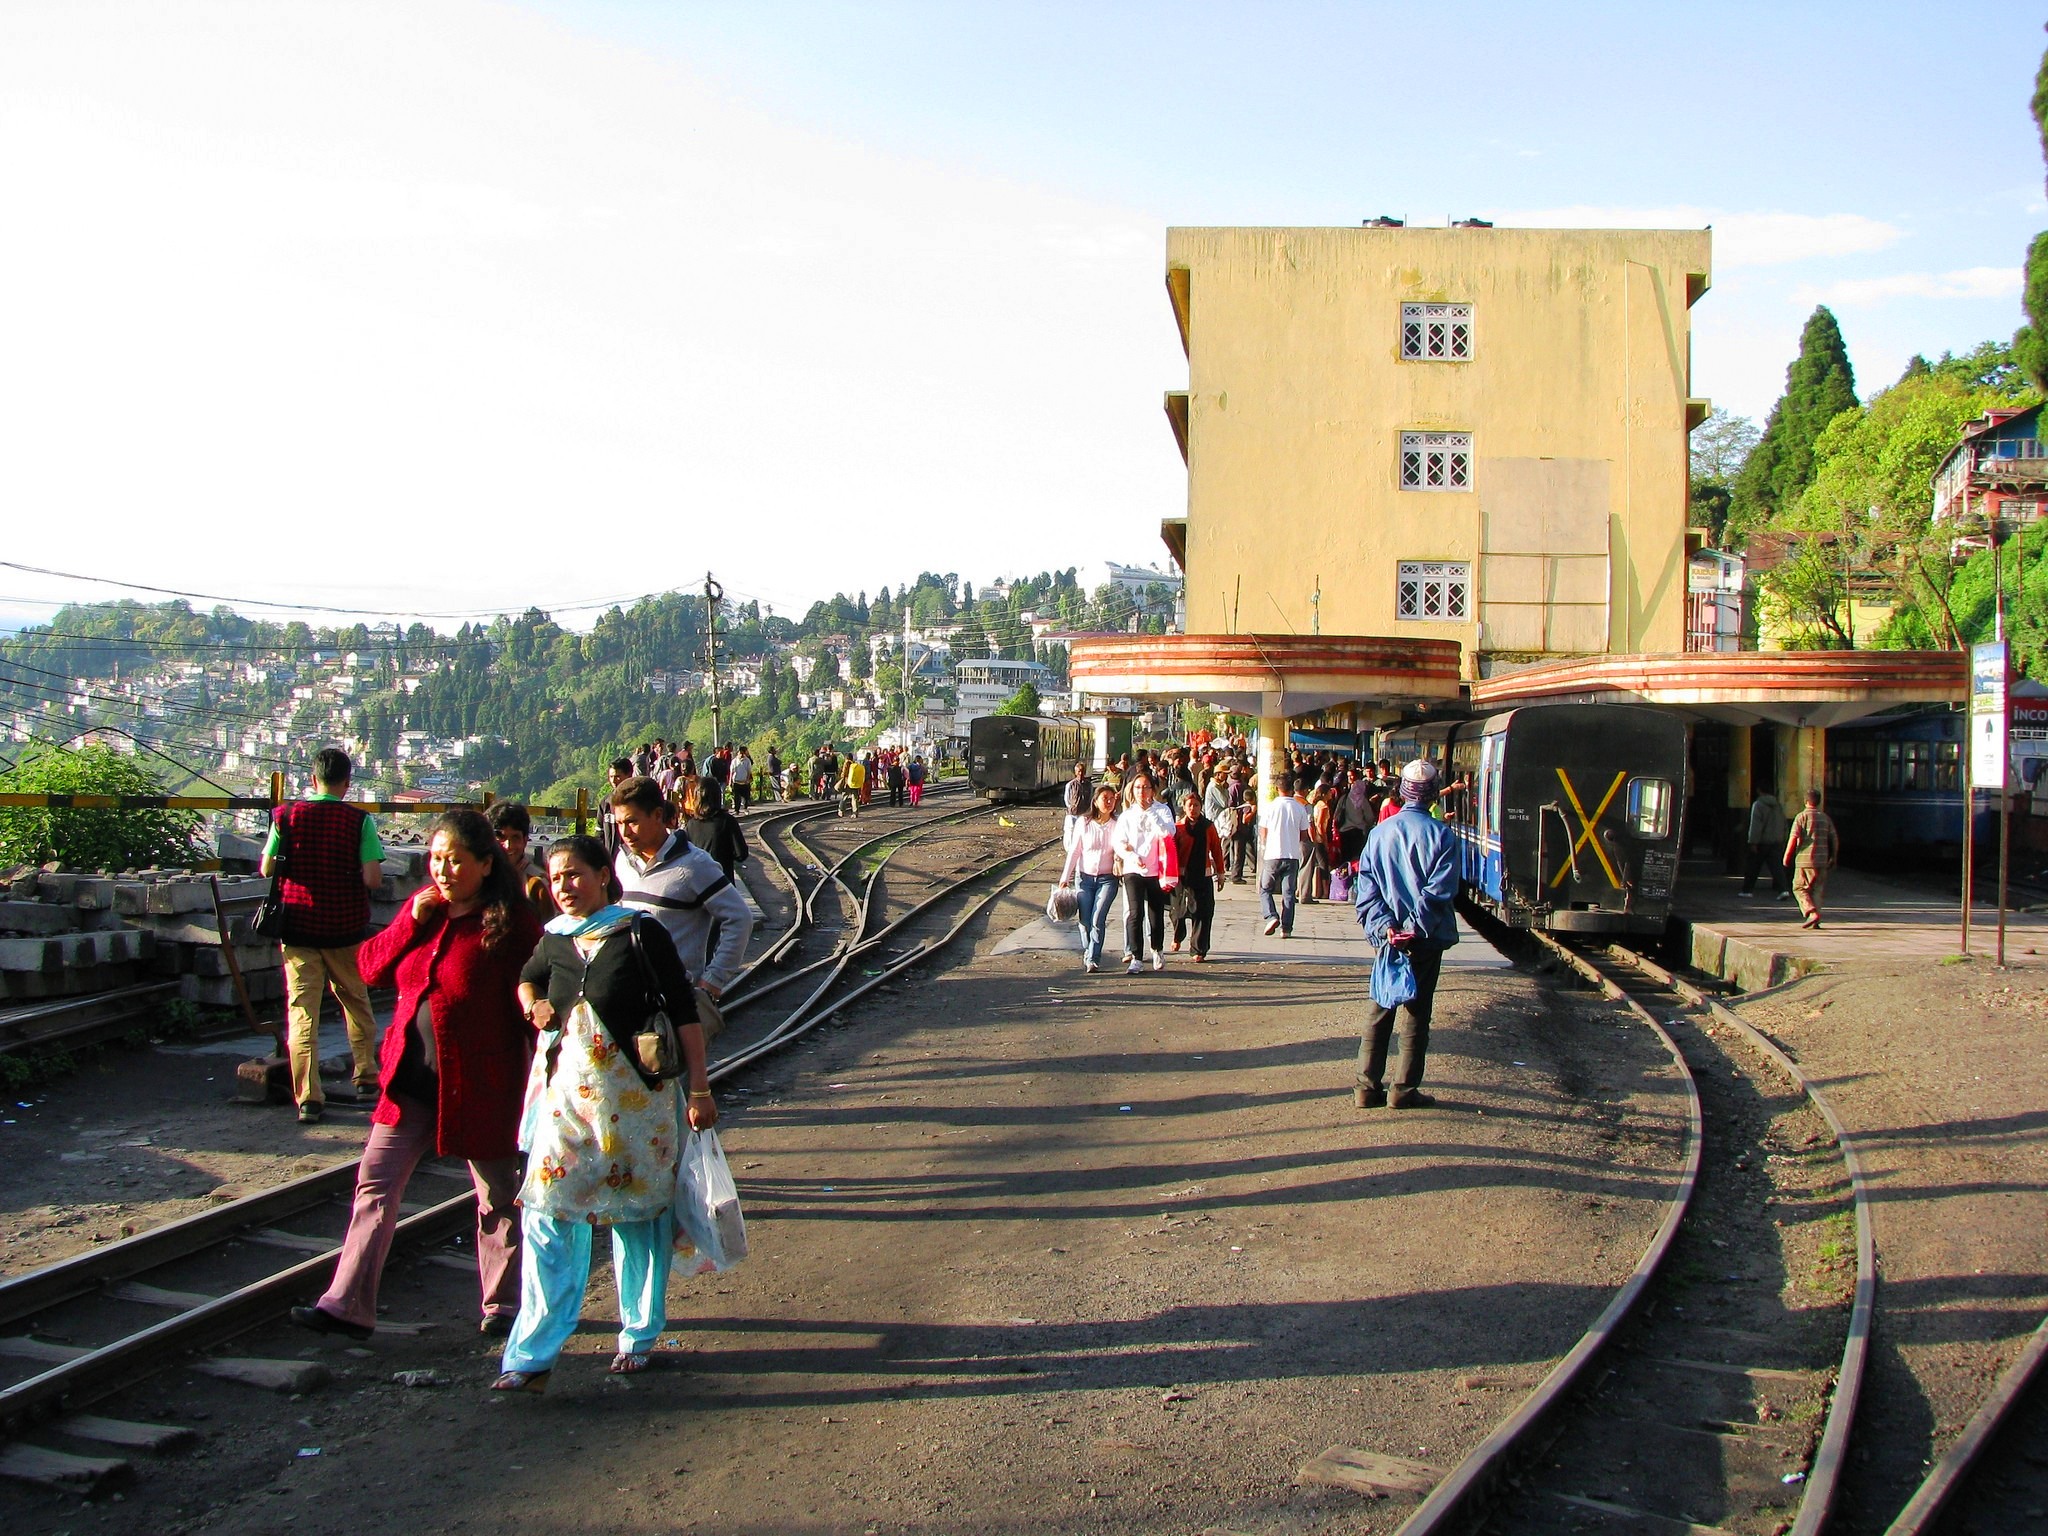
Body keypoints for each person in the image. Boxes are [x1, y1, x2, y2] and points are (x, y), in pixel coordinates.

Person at [291, 811, 541, 1340]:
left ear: (483, 863)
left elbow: (539, 993)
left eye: (455, 860)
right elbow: (369, 969)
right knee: (374, 1187)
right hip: (409, 1082)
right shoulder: (423, 910)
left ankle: (503, 1305)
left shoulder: (512, 923)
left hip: (483, 1086)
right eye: (435, 859)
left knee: (498, 1197)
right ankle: (347, 1304)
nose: (443, 870)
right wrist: (410, 920)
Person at [492, 835, 717, 1391]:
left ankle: (638, 1335)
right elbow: (526, 976)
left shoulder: (640, 933)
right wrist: (533, 1003)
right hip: (566, 1109)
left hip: (637, 1108)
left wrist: (700, 1089)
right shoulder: (554, 940)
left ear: (601, 875)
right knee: (546, 1216)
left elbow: (685, 1013)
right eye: (557, 876)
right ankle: (532, 1353)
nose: (565, 886)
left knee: (639, 1222)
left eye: (575, 874)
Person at [261, 747, 385, 1123]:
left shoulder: (286, 816)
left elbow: (267, 867)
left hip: (298, 929)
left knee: (302, 1013)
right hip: (344, 929)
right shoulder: (358, 821)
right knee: (356, 1001)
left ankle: (309, 1098)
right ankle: (365, 1076)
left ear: (312, 780)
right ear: (347, 784)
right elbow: (372, 879)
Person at [1351, 759, 1460, 1110]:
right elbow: (1439, 892)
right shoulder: (1443, 835)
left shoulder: (1379, 834)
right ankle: (1404, 1089)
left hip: (1388, 938)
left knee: (1381, 1006)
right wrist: (1412, 928)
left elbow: (1365, 889)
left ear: (1402, 792)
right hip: (1426, 939)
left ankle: (1366, 1087)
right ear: (1431, 796)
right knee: (1417, 1012)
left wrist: (1387, 928)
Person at [611, 776, 755, 1000]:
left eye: (632, 822)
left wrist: (714, 979)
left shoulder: (693, 864)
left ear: (658, 815)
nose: (625, 832)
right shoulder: (623, 861)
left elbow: (740, 917)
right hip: (629, 997)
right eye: (619, 823)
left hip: (677, 1002)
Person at [1113, 774, 1178, 974]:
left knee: (1155, 913)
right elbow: (1118, 842)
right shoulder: (1127, 815)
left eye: (1146, 787)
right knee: (1134, 913)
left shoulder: (1162, 810)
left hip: (1157, 870)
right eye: (1138, 788)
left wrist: (1152, 813)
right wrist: (1130, 855)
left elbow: (1169, 833)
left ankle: (1157, 949)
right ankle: (1136, 957)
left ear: (1153, 790)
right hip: (1133, 869)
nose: (1142, 792)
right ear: (1132, 791)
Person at [1058, 782, 1123, 973]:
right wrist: (1065, 877)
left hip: (1108, 879)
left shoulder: (1117, 824)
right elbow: (1074, 852)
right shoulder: (1084, 823)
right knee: (1085, 921)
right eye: (1105, 799)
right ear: (1095, 801)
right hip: (1084, 878)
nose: (1109, 802)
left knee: (1098, 918)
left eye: (1112, 799)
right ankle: (1088, 950)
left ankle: (1094, 958)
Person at [1171, 791, 1227, 961]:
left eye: (1196, 805)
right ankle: (1178, 935)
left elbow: (1217, 850)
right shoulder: (1178, 828)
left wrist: (1221, 872)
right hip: (1182, 876)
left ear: (1201, 807)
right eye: (1190, 805)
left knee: (1203, 912)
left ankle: (1198, 949)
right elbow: (1171, 851)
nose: (1193, 809)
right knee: (1178, 912)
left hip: (1203, 875)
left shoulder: (1208, 827)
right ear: (1184, 807)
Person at [1258, 774, 1312, 938]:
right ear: (1292, 789)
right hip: (1292, 855)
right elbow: (1304, 834)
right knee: (1288, 893)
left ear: (1277, 789)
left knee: (1265, 889)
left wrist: (1266, 842)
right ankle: (1286, 928)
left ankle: (1271, 915)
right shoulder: (1299, 808)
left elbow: (1263, 831)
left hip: (1272, 855)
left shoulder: (1270, 807)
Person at [488, 801, 557, 922]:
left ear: (525, 841)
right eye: (501, 837)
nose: (508, 846)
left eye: (515, 837)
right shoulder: (477, 878)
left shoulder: (538, 883)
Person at [1783, 789, 1839, 930]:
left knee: (1799, 887)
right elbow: (1834, 839)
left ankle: (1811, 912)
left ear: (1805, 801)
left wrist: (1786, 856)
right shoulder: (1826, 818)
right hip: (1822, 860)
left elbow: (1793, 838)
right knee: (1817, 890)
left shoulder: (1800, 817)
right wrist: (1834, 857)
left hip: (1804, 860)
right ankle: (1815, 921)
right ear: (1818, 801)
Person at [685, 780, 751, 880]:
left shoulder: (690, 824)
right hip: (722, 883)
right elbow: (741, 854)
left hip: (698, 884)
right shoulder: (727, 821)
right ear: (717, 797)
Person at [1741, 788, 1790, 900]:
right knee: (1777, 867)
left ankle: (1747, 890)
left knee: (1753, 866)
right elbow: (1784, 823)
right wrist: (1783, 838)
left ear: (1759, 791)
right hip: (1776, 841)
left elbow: (1756, 825)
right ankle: (1783, 890)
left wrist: (1753, 841)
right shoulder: (1778, 805)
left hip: (1762, 842)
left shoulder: (1758, 805)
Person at [599, 756, 635, 857]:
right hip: (609, 859)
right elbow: (599, 835)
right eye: (611, 777)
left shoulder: (637, 803)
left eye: (617, 776)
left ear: (629, 775)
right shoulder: (605, 803)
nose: (614, 781)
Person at [1062, 761, 1093, 850]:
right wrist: (1071, 807)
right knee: (1070, 833)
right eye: (1079, 771)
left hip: (1083, 814)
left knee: (1082, 832)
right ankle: (1069, 850)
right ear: (1075, 772)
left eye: (1082, 771)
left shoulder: (1089, 785)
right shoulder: (1070, 785)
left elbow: (1091, 797)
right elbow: (1066, 799)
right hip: (1072, 814)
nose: (1081, 773)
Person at [729, 745, 754, 812]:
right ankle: (737, 810)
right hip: (736, 781)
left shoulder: (747, 761)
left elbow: (749, 771)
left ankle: (745, 808)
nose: (741, 755)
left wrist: (747, 779)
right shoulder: (734, 761)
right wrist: (730, 782)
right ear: (737, 753)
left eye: (742, 753)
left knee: (746, 796)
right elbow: (731, 772)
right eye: (740, 753)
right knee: (737, 797)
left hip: (745, 782)